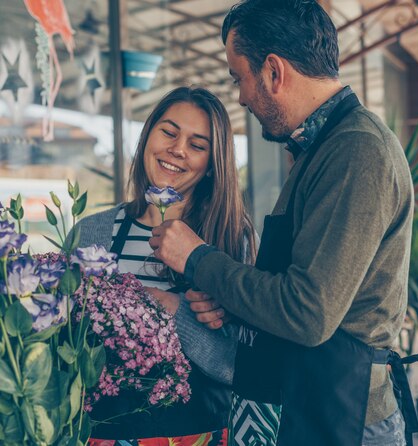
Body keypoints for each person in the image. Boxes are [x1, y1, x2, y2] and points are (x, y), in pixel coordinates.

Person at [150, 1, 418, 445]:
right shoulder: (321, 149)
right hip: (314, 405)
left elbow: (307, 312)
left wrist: (198, 258)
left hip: (345, 419)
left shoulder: (356, 151)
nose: (240, 96)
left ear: (274, 72)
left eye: (239, 77)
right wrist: (229, 304)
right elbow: (297, 289)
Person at [75, 86, 280, 445]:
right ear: (148, 135)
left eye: (197, 145)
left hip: (200, 436)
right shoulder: (91, 232)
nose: (178, 149)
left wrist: (173, 309)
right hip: (99, 436)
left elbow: (242, 367)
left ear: (212, 165)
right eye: (169, 132)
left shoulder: (236, 240)